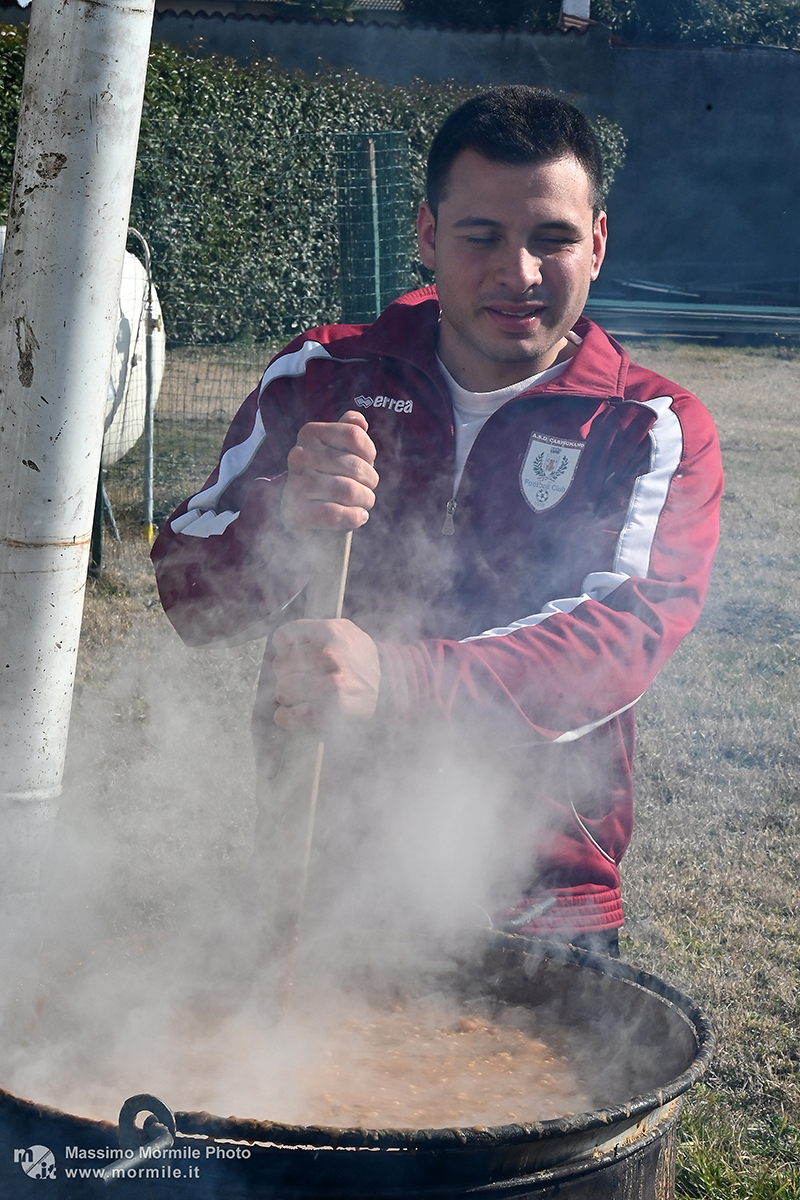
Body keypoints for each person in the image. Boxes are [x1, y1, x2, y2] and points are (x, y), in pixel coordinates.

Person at [151, 86, 722, 957]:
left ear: (598, 244)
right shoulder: (324, 376)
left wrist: (401, 681)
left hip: (540, 899)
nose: (520, 273)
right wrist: (282, 524)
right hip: (325, 863)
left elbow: (622, 634)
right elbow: (189, 598)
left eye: (553, 238)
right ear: (426, 234)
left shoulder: (647, 427)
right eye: (482, 236)